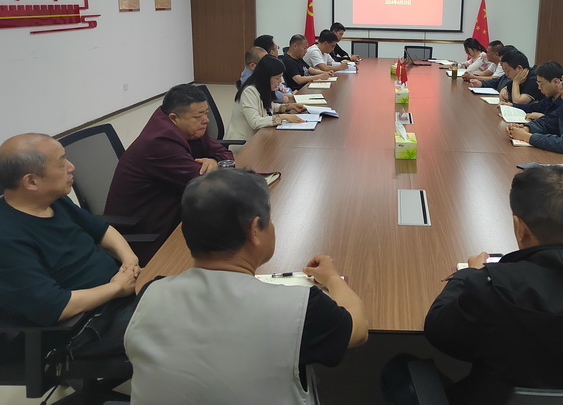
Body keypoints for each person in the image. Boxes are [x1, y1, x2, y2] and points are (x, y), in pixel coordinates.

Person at [385, 165, 563, 405]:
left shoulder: (492, 289)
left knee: (399, 368)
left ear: (519, 227)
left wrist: (468, 275)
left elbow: (439, 331)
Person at [125, 168, 369, 404]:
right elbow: (358, 330)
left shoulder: (150, 294)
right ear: (254, 230)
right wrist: (332, 278)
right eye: (269, 220)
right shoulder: (301, 308)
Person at [0, 134, 138, 328]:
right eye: (61, 163)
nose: (71, 167)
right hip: (92, 322)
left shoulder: (53, 200)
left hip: (123, 295)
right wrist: (116, 288)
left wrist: (129, 259)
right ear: (31, 182)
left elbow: (103, 230)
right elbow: (54, 306)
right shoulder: (7, 238)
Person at [105, 84, 234, 265]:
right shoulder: (159, 141)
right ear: (174, 118)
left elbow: (226, 154)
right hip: (149, 230)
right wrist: (217, 166)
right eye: (199, 116)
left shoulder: (191, 127)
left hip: (176, 210)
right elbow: (204, 185)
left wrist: (213, 160)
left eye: (206, 113)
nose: (206, 120)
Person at [225, 55, 308, 141]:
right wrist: (283, 117)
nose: (280, 81)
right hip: (243, 142)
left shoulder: (262, 87)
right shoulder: (249, 91)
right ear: (266, 77)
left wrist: (290, 106)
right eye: (277, 78)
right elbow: (255, 122)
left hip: (258, 137)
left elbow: (268, 106)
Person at [468, 48, 541, 105]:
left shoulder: (534, 79)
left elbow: (518, 102)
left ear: (519, 68)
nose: (506, 74)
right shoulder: (519, 76)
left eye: (508, 71)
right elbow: (505, 89)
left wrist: (515, 83)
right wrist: (504, 90)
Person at [252, 34, 293, 102]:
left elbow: (282, 88)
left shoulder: (273, 68)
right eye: (277, 48)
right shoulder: (264, 72)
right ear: (272, 52)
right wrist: (289, 95)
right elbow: (282, 98)